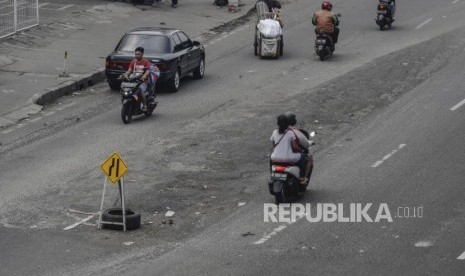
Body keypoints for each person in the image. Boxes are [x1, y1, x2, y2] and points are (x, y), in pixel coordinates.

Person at [270, 115, 312, 184]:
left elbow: (273, 142)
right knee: (304, 157)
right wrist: (299, 149)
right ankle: (302, 177)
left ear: (278, 123)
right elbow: (295, 147)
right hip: (288, 158)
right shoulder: (290, 133)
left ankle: (272, 174)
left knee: (271, 158)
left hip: (275, 158)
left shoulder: (274, 132)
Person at [120, 46, 151, 111]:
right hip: (134, 80)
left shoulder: (146, 62)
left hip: (142, 81)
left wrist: (144, 75)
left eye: (138, 54)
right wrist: (124, 75)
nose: (136, 56)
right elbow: (129, 70)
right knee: (125, 89)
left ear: (142, 54)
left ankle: (145, 105)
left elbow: (148, 71)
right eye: (135, 54)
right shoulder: (133, 62)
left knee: (141, 90)